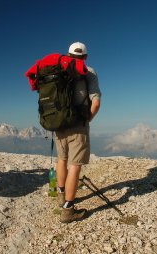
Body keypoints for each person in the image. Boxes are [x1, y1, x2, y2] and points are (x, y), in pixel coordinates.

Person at [55, 42, 101, 223]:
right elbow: (96, 103)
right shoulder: (89, 71)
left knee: (62, 159)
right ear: (85, 57)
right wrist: (86, 120)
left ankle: (61, 195)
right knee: (75, 165)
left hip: (58, 123)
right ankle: (68, 210)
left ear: (67, 55)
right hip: (77, 123)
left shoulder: (57, 69)